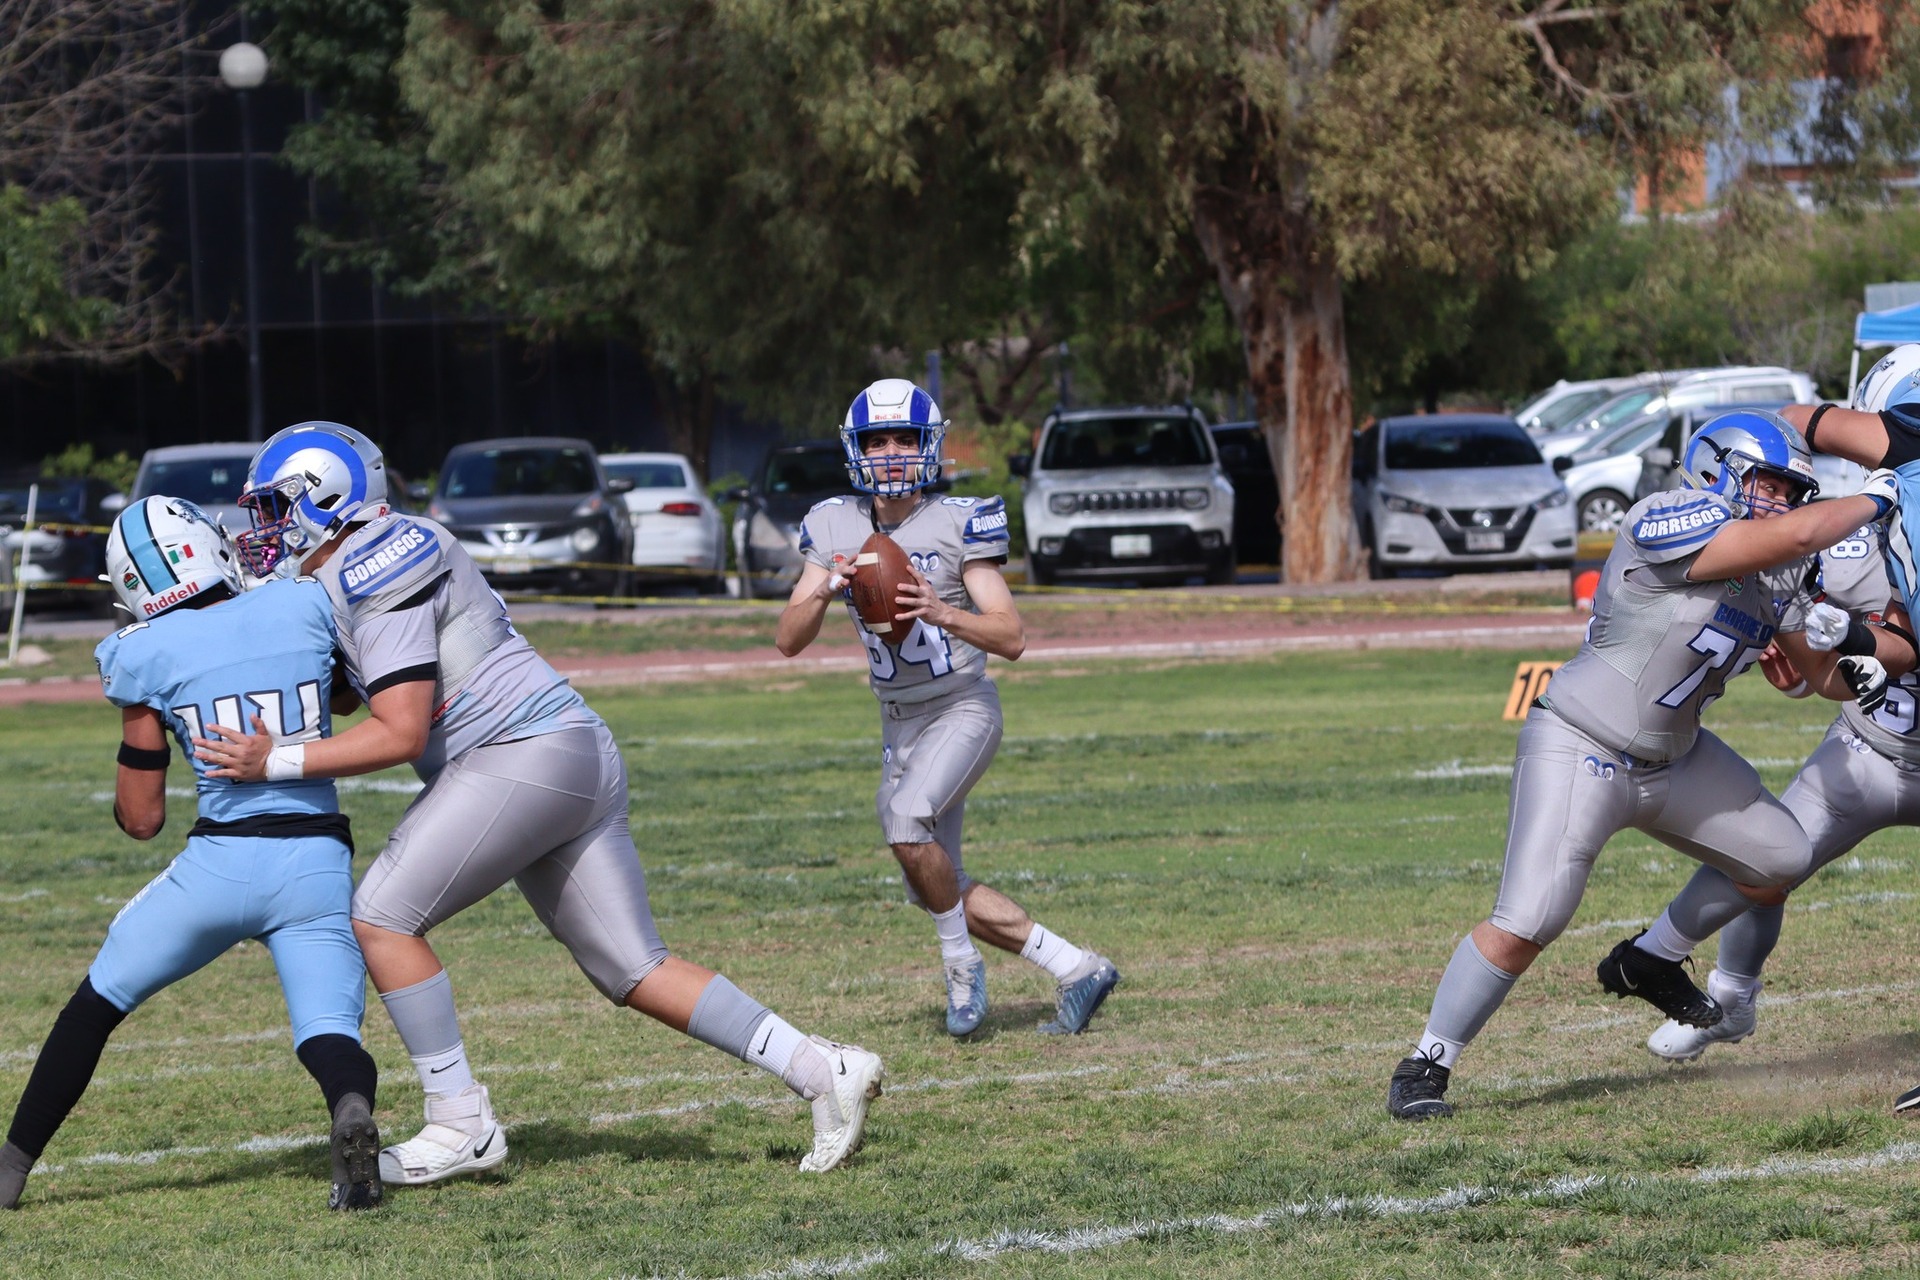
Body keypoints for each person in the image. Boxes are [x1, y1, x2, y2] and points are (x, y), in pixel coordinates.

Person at [194, 422, 882, 1184]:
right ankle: (823, 1069)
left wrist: (274, 761)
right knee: (632, 968)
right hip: (560, 751)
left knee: (382, 917)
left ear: (327, 497)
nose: (262, 529)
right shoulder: (359, 562)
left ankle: (459, 1121)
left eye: (273, 508)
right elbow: (359, 688)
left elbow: (399, 729)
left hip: (523, 753)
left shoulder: (376, 557)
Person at [1386, 410, 1899, 1120]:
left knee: (1783, 856)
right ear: (1717, 469)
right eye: (1770, 486)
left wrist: (1861, 665)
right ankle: (1426, 1064)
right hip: (1582, 743)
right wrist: (1885, 490)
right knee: (1531, 917)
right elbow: (1808, 530)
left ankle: (1650, 959)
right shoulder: (1667, 515)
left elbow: (1818, 677)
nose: (1782, 504)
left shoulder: (1775, 570)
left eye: (1790, 492)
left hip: (1676, 758)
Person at [0, 497, 381, 1211]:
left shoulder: (140, 653)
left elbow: (142, 819)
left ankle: (9, 1172)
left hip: (220, 864)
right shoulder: (301, 605)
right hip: (314, 861)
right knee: (328, 1027)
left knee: (96, 1006)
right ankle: (351, 1111)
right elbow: (348, 702)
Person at [775, 378, 1119, 1038]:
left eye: (906, 437)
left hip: (963, 707)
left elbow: (1011, 636)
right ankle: (1077, 968)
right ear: (856, 448)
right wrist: (826, 592)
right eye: (879, 439)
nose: (893, 451)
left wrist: (942, 612)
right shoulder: (833, 523)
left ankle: (961, 969)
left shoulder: (961, 518)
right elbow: (788, 640)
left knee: (907, 825)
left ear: (930, 445)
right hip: (897, 724)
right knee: (933, 881)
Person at [1640, 515, 1918, 1063]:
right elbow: (1789, 621)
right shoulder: (1856, 540)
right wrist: (1798, 659)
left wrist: (1853, 636)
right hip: (1866, 752)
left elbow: (1901, 645)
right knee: (1761, 863)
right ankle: (1731, 1000)